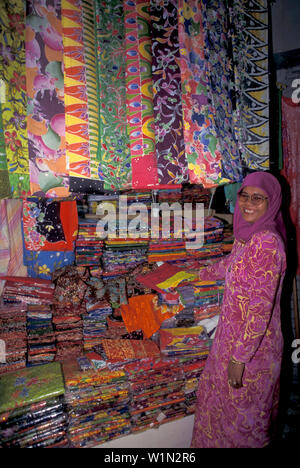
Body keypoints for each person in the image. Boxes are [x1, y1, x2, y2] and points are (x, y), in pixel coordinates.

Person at [191, 171, 287, 448]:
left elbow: (260, 308)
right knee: (219, 414)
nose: (248, 203)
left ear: (272, 203)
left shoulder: (267, 243)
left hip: (252, 350)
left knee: (242, 423)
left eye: (259, 198)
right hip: (230, 339)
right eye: (245, 195)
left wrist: (240, 358)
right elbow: (231, 264)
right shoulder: (248, 235)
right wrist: (198, 275)